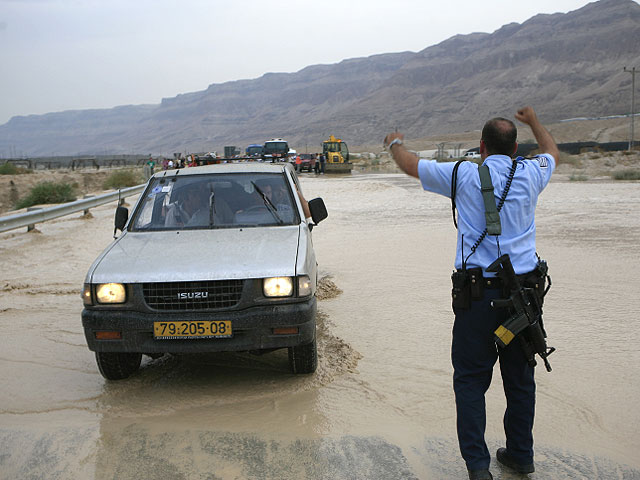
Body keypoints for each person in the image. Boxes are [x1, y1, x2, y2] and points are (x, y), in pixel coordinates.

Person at [384, 106, 559, 480]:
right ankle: (520, 456)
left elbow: (410, 165)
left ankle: (479, 468)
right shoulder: (531, 172)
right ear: (514, 149)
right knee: (520, 379)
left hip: (477, 298)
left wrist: (395, 142)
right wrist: (534, 122)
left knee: (470, 380)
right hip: (523, 302)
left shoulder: (462, 173)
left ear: (481, 146)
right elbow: (552, 152)